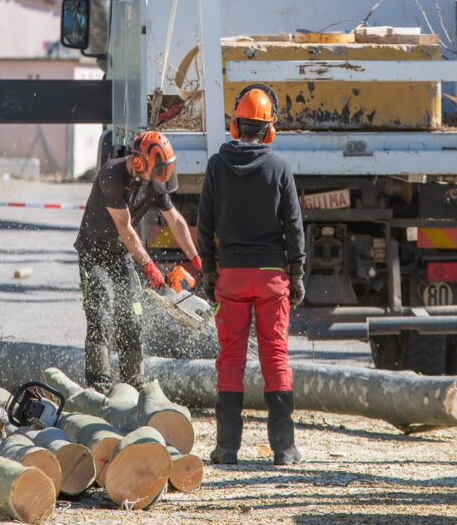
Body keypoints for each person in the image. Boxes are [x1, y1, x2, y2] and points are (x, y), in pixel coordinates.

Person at [197, 84, 306, 466]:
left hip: (231, 276)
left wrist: (209, 271)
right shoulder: (279, 167)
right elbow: (293, 226)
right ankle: (284, 449)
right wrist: (299, 272)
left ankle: (227, 448)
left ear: (235, 125)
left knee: (230, 358)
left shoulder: (215, 165)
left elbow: (204, 223)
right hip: (272, 277)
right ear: (269, 129)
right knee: (275, 355)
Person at [75, 130, 201, 394]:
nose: (158, 181)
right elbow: (125, 228)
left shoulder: (155, 182)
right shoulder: (112, 175)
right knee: (99, 310)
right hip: (94, 252)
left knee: (132, 313)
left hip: (122, 253)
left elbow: (175, 221)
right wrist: (150, 267)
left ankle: (133, 380)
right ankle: (98, 385)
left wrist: (196, 259)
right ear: (139, 161)